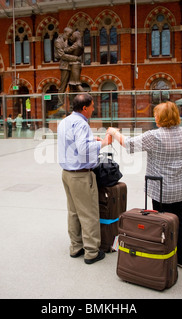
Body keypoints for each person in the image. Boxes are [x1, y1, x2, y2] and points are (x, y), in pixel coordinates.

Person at [107, 101, 182, 269]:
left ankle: (163, 257)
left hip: (162, 190)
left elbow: (130, 144)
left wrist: (113, 133)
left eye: (156, 115)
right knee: (181, 224)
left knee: (162, 224)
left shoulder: (155, 136)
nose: (155, 118)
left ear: (162, 118)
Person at [58, 93, 112, 264]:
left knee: (73, 212)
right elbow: (82, 149)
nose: (94, 109)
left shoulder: (65, 121)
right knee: (89, 213)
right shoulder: (81, 124)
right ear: (85, 108)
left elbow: (74, 144)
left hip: (67, 174)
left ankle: (76, 247)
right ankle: (91, 252)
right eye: (93, 106)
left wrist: (91, 140)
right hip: (81, 175)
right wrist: (103, 143)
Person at [55, 27, 80, 107]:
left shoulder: (68, 40)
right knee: (63, 85)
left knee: (72, 85)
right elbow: (61, 55)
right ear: (65, 33)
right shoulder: (58, 42)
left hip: (72, 65)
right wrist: (75, 58)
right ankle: (60, 104)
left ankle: (73, 105)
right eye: (69, 35)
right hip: (65, 66)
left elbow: (69, 50)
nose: (69, 37)